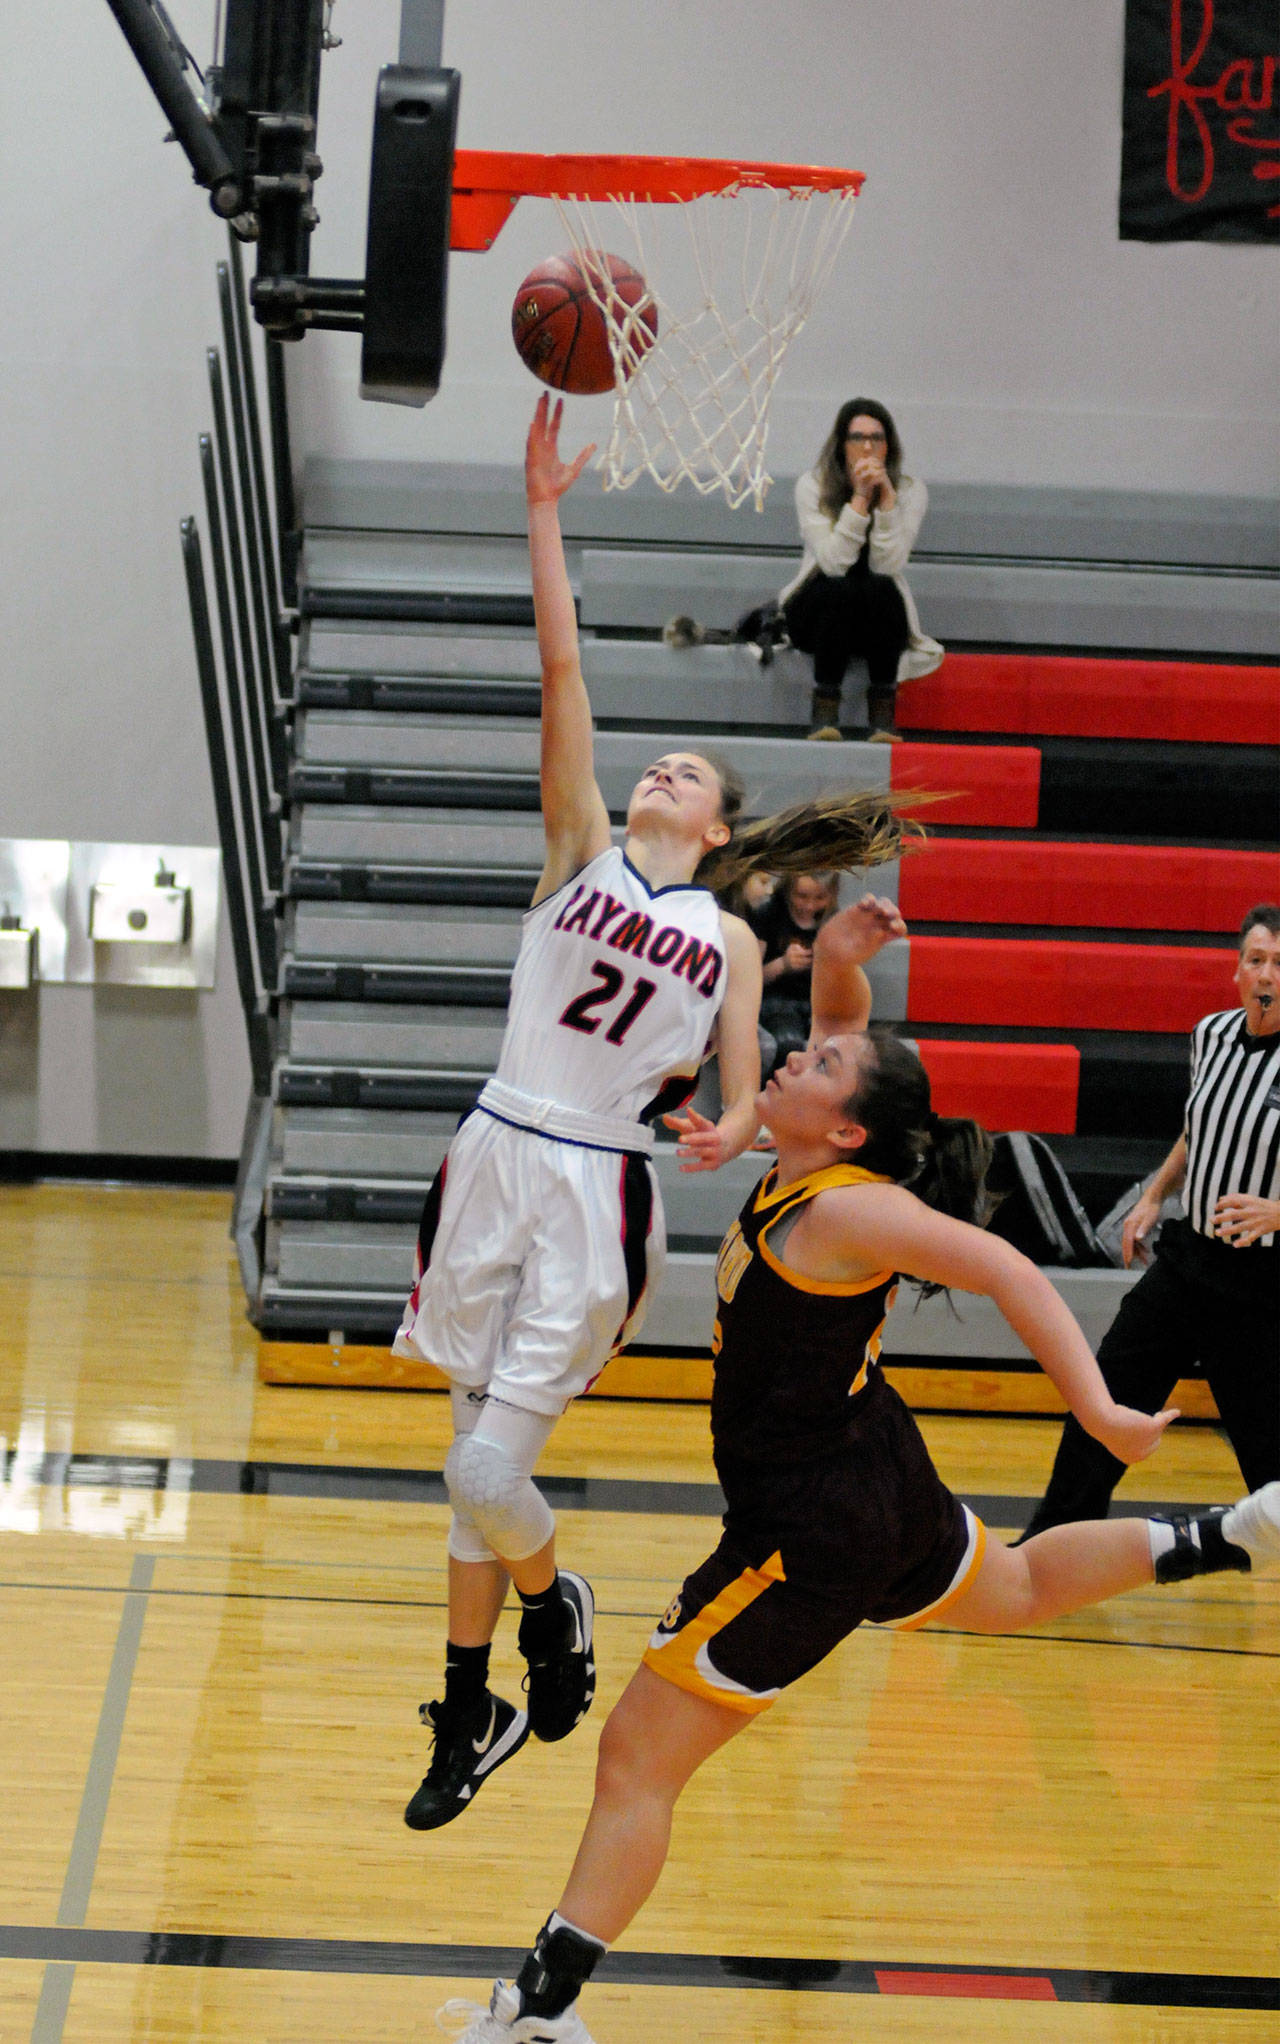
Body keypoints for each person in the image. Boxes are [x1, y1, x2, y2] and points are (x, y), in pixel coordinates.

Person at [440, 1023, 1280, 2042]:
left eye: (823, 1062)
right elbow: (838, 1038)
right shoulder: (814, 1168)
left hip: (805, 1528)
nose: (794, 1054)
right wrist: (840, 953)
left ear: (843, 1129)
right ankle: (1224, 1539)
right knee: (1010, 1587)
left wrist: (1099, 1410)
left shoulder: (852, 1208)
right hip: (871, 1466)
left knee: (635, 1759)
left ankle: (540, 2010)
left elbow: (1007, 1269)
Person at [392, 395, 920, 1835]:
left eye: (687, 772)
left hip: (595, 1190)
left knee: (488, 1466)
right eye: (655, 762)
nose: (657, 770)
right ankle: (468, 1700)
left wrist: (728, 1133)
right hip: (493, 1150)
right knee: (463, 1462)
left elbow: (750, 1100)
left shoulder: (735, 942)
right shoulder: (578, 857)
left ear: (718, 823)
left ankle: (550, 1607)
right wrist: (543, 509)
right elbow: (563, 670)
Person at [1020, 904, 1280, 1541]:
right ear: (1237, 971)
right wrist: (1155, 1194)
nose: (1267, 973)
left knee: (1267, 1447)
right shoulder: (1211, 1035)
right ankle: (1052, 1541)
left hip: (1264, 1282)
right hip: (1189, 1261)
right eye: (1256, 959)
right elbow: (1198, 1130)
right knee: (1105, 1395)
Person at [749, 397, 943, 741]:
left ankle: (882, 715)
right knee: (839, 588)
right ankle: (824, 711)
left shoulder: (911, 491)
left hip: (874, 612)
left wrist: (885, 504)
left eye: (877, 438)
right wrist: (859, 499)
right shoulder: (813, 485)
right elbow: (833, 563)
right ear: (841, 444)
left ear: (889, 445)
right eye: (857, 438)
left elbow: (889, 564)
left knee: (880, 587)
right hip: (816, 608)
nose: (868, 447)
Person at [751, 869, 839, 1074]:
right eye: (802, 896)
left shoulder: (831, 920)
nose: (809, 906)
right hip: (775, 1001)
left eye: (820, 898)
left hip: (816, 1004)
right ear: (788, 889)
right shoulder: (769, 914)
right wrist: (783, 964)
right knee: (789, 1046)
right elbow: (750, 978)